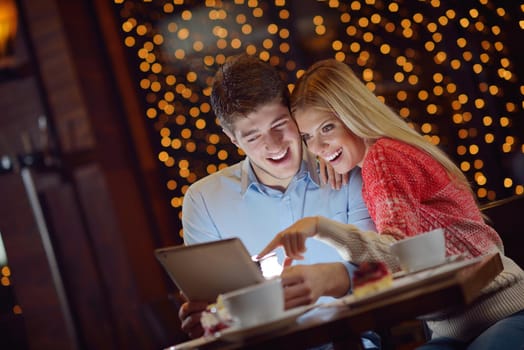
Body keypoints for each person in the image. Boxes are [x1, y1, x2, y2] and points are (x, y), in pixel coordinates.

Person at [258, 58, 524, 349]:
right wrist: (335, 150)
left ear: (353, 115)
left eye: (327, 128)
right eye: (308, 137)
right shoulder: (382, 153)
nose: (317, 148)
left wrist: (320, 228)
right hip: (456, 329)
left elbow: (397, 252)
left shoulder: (383, 158)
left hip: (502, 310)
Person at [178, 54, 380, 348]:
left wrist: (336, 279)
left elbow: (388, 270)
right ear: (232, 138)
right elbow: (216, 311)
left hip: (353, 338)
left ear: (292, 112)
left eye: (279, 124)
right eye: (252, 136)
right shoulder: (204, 201)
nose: (273, 145)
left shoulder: (342, 165)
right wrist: (207, 319)